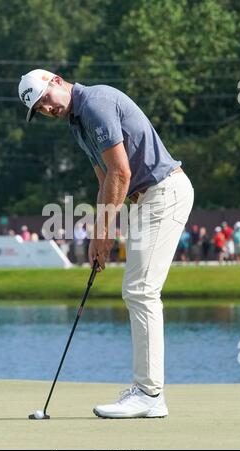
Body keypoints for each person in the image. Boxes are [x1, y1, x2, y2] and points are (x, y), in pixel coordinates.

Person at [18, 69, 194, 419]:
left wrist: (104, 233)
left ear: (56, 80)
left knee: (140, 290)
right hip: (147, 200)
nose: (47, 110)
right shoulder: (78, 123)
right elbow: (104, 180)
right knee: (139, 290)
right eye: (39, 109)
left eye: (45, 100)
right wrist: (101, 235)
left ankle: (149, 395)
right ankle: (147, 391)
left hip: (164, 193)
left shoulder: (96, 103)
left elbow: (121, 173)